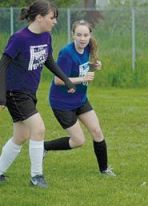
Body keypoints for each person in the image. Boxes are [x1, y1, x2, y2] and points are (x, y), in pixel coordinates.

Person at [0, 0, 75, 188]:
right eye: (52, 18)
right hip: (15, 93)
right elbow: (2, 67)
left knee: (21, 136)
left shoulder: (46, 36)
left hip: (29, 93)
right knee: (39, 129)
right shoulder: (19, 38)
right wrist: (1, 97)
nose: (55, 21)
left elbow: (48, 60)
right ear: (39, 18)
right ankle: (36, 177)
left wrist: (65, 79)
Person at [43, 20, 116, 177]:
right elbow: (58, 80)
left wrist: (95, 65)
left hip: (80, 99)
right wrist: (83, 77)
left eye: (86, 35)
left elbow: (84, 66)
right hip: (62, 103)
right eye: (79, 35)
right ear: (73, 35)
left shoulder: (89, 47)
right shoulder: (66, 53)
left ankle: (104, 170)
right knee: (78, 141)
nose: (83, 38)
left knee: (97, 131)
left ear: (90, 35)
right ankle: (44, 147)